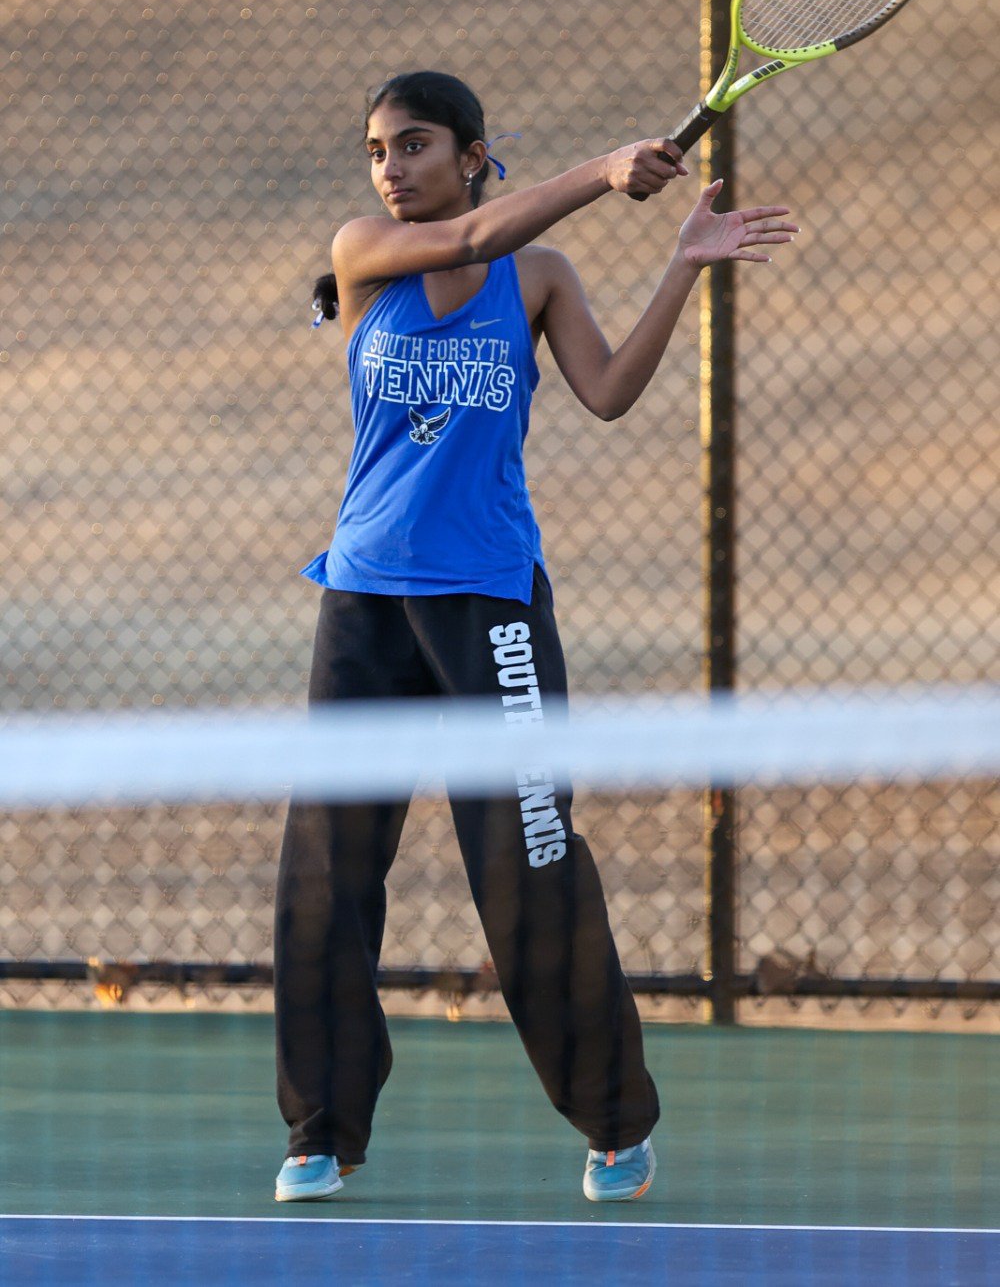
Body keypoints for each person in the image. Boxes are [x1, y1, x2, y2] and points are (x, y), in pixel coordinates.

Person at [274, 70, 797, 1205]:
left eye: (416, 145)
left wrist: (681, 266)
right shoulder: (365, 253)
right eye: (378, 149)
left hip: (492, 608)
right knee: (325, 870)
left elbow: (607, 393)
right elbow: (472, 235)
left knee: (532, 865)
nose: (390, 167)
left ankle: (614, 1125)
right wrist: (605, 172)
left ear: (472, 155)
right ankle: (322, 1130)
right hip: (363, 604)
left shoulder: (542, 276)